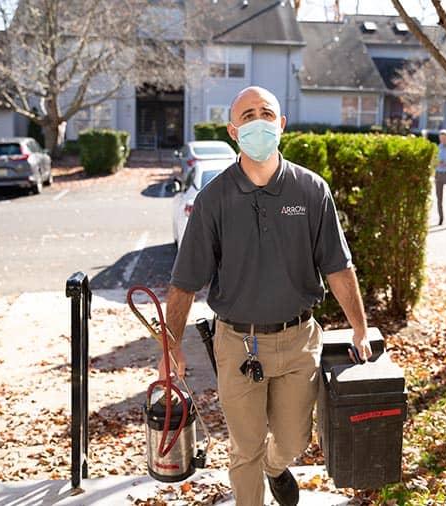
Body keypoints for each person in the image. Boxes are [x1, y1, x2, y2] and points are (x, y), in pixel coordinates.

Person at [161, 86, 371, 506]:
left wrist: (360, 329)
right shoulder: (213, 199)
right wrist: (169, 346)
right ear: (233, 130)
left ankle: (278, 466)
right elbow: (184, 283)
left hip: (298, 341)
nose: (259, 122)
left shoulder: (311, 191)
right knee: (245, 448)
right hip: (237, 345)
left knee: (295, 439)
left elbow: (338, 267)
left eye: (267, 114)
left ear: (282, 124)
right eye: (248, 115)